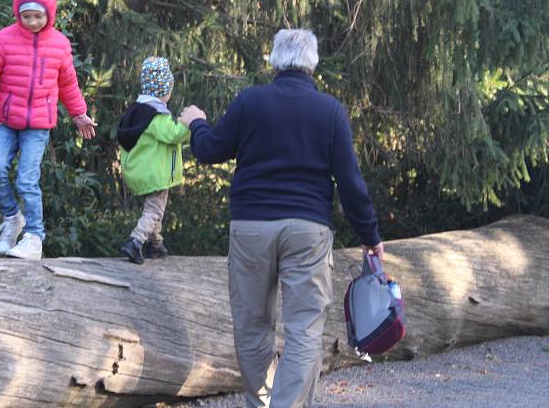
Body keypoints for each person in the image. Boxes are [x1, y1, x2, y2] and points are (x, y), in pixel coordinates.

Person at [178, 29, 384, 408]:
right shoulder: (330, 111)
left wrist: (197, 122)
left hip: (252, 227)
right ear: (313, 62)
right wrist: (370, 234)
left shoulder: (251, 102)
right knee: (304, 328)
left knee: (252, 326)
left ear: (274, 60)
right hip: (308, 229)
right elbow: (351, 184)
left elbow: (208, 150)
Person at [0, 0, 96, 261]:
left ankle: (34, 237)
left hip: (38, 127)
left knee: (27, 180)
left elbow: (68, 84)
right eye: (27, 16)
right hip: (7, 123)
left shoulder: (59, 44)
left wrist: (79, 114)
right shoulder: (3, 40)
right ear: (18, 14)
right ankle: (12, 219)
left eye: (38, 16)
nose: (32, 22)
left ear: (50, 13)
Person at [117, 56, 190, 264]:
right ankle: (136, 241)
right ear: (164, 90)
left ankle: (156, 244)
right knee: (155, 209)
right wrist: (188, 124)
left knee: (153, 209)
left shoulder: (136, 110)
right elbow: (173, 135)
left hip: (140, 172)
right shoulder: (156, 116)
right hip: (156, 174)